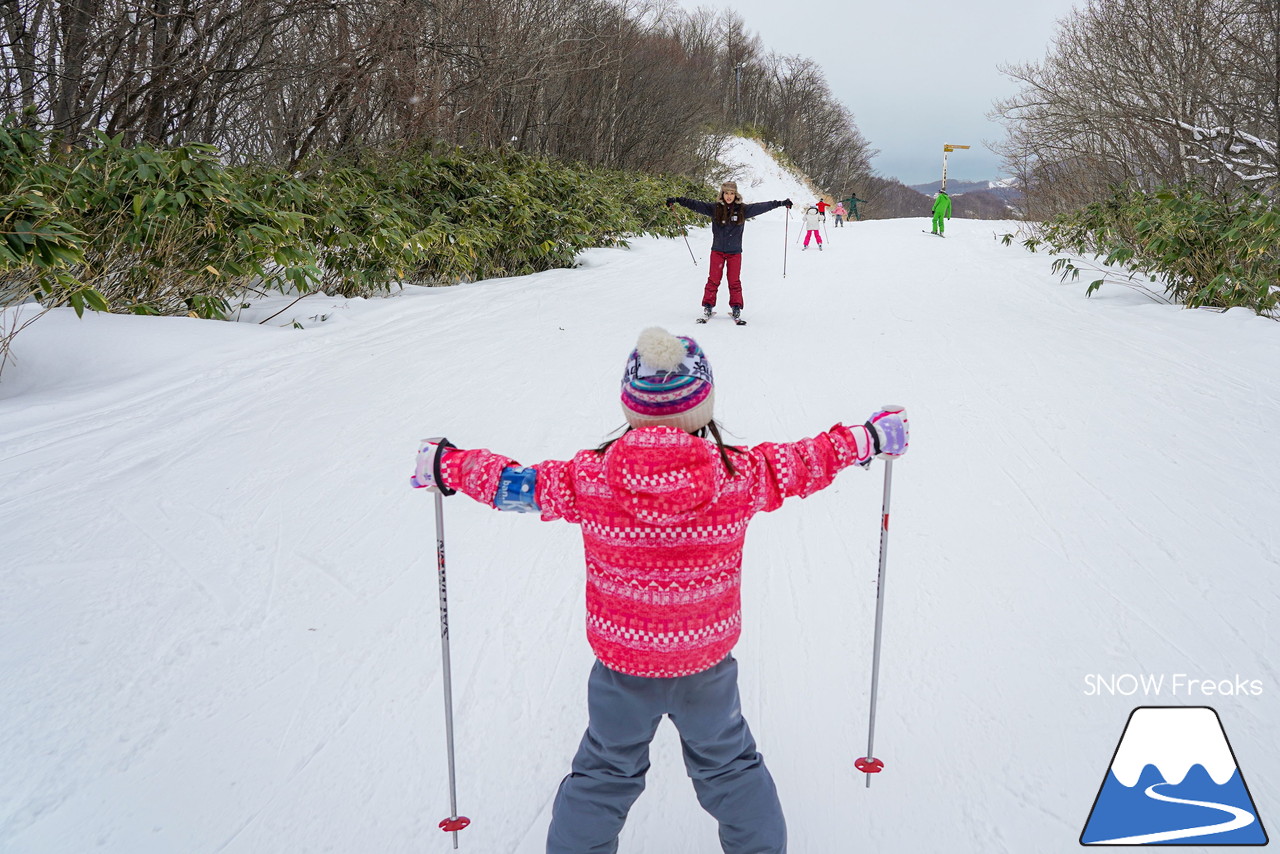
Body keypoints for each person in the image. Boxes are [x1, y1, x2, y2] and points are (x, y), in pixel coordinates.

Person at [411, 327, 909, 854]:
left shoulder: (589, 477)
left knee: (604, 774)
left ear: (630, 408)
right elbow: (809, 460)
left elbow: (514, 483)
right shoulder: (739, 474)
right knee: (732, 771)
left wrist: (448, 465)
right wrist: (871, 439)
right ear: (704, 407)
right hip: (705, 665)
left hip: (622, 666)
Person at [667, 183, 790, 324]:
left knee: (734, 281)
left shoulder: (743, 209)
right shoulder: (714, 208)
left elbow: (762, 206)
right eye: (726, 193)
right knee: (713, 280)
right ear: (722, 194)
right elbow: (695, 204)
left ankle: (736, 307)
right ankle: (708, 306)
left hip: (735, 253)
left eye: (732, 193)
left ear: (736, 194)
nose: (729, 196)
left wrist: (780, 203)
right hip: (717, 251)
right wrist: (677, 200)